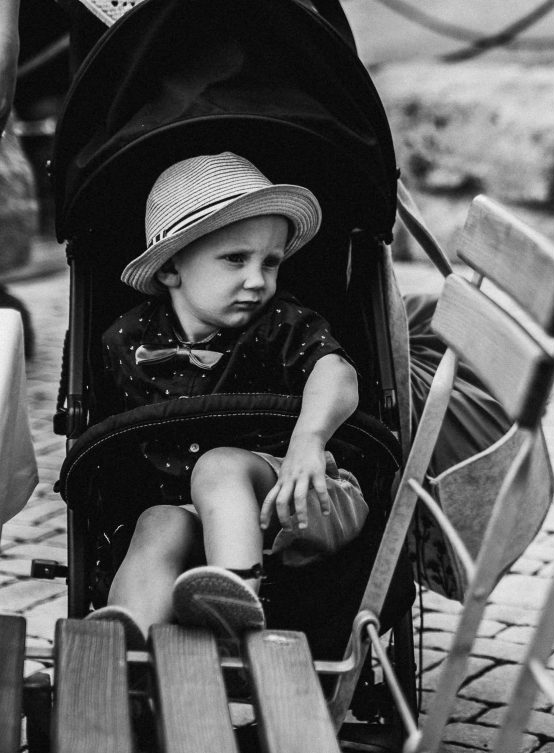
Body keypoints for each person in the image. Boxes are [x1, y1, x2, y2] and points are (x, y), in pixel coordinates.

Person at [84, 151, 369, 648]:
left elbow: (335, 371)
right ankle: (122, 655)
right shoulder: (125, 341)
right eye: (236, 259)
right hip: (194, 515)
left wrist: (309, 438)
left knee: (217, 466)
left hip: (298, 494)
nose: (258, 280)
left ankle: (235, 604)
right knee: (158, 522)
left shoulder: (283, 323)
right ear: (171, 269)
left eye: (271, 262)